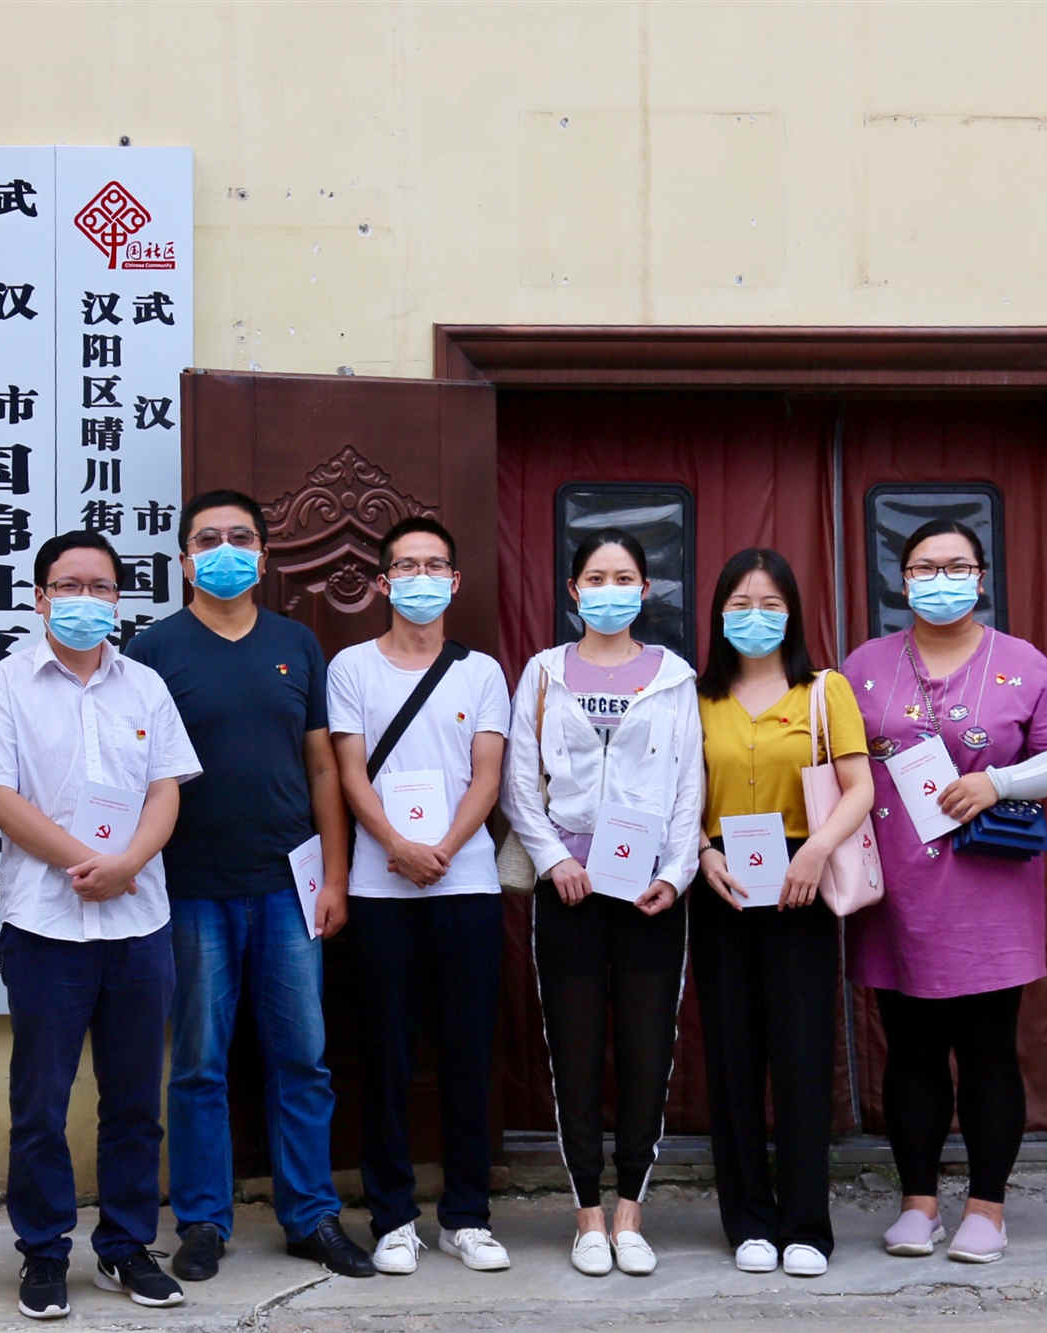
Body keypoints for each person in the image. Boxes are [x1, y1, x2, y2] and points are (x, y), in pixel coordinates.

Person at [124, 489, 375, 1281]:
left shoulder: (296, 643)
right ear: (184, 561)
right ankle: (203, 1220)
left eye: (240, 537)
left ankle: (312, 1214)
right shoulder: (153, 649)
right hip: (191, 887)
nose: (225, 550)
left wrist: (335, 876)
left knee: (303, 1057)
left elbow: (323, 767)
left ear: (264, 557)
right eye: (208, 539)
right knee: (200, 1061)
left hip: (288, 887)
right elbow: (138, 771)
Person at [0, 530, 202, 1319]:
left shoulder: (145, 686)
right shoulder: (6, 684)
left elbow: (167, 787)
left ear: (119, 600)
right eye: (69, 585)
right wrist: (85, 862)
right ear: (40, 598)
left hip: (139, 922)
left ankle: (126, 1246)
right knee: (40, 1101)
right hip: (45, 924)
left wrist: (128, 863)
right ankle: (43, 1250)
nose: (85, 599)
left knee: (134, 1101)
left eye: (101, 587)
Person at [843, 519, 1047, 1266]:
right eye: (924, 566)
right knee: (910, 1050)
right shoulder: (864, 665)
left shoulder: (1024, 663)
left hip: (989, 888)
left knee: (988, 1051)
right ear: (902, 579)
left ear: (980, 578)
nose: (939, 579)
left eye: (956, 566)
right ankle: (917, 1203)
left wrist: (998, 782)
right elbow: (832, 758)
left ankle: (987, 1207)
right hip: (897, 890)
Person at [500, 528, 704, 1278]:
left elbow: (689, 784)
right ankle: (586, 1212)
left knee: (648, 1051)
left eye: (624, 579)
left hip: (648, 892)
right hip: (570, 891)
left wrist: (675, 874)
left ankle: (630, 1212)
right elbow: (520, 782)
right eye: (596, 578)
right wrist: (554, 860)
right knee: (575, 1051)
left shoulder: (674, 677)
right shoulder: (544, 672)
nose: (609, 591)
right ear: (573, 590)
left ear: (644, 592)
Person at [327, 516, 513, 1276]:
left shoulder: (481, 672)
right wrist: (396, 846)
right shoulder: (351, 667)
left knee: (468, 1051)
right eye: (406, 566)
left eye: (435, 565)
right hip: (380, 887)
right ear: (383, 582)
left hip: (465, 883)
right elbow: (349, 772)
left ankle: (466, 1216)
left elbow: (488, 776)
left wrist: (441, 848)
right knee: (385, 1054)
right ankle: (394, 1216)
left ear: (456, 581)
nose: (421, 578)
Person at [692, 549, 875, 1279]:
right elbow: (677, 791)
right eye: (740, 603)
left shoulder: (824, 690)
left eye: (770, 603)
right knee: (731, 1057)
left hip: (803, 876)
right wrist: (702, 853)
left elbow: (860, 786)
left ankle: (805, 1225)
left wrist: (816, 851)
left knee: (801, 1056)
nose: (755, 616)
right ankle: (748, 1221)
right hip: (722, 879)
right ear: (718, 614)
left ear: (792, 612)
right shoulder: (696, 696)